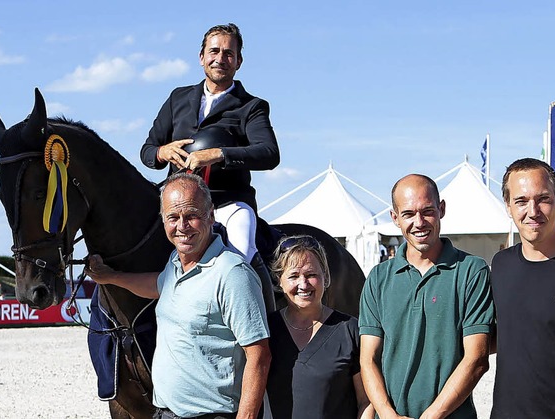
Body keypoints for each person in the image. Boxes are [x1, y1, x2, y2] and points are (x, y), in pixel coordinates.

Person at [85, 172, 271, 419]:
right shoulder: (175, 263)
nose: (182, 226)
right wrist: (111, 277)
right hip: (166, 413)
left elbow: (259, 354)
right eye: (173, 217)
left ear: (211, 215)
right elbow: (158, 285)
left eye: (192, 215)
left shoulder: (232, 273)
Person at [140, 23, 279, 271]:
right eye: (214, 51)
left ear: (239, 61)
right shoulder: (177, 98)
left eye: (228, 53)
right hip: (176, 203)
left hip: (228, 204)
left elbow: (269, 154)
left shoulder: (252, 106)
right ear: (202, 57)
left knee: (241, 256)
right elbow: (147, 150)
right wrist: (162, 152)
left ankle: (256, 305)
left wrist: (218, 154)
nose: (220, 58)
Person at [359, 174, 494, 418]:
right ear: (395, 218)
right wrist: (387, 414)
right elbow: (368, 359)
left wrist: (432, 416)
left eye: (427, 211)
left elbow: (477, 359)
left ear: (441, 209)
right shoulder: (378, 278)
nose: (419, 222)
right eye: (409, 214)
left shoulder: (471, 271)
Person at [491, 158, 555, 418]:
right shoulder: (501, 265)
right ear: (507, 206)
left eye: (543, 199)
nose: (533, 211)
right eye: (521, 201)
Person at [265, 235, 373, 419]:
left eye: (311, 275)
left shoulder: (350, 330)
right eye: (293, 276)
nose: (303, 284)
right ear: (279, 281)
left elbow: (367, 401)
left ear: (326, 277)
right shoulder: (266, 330)